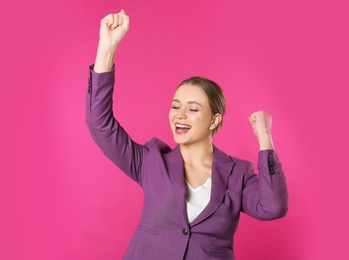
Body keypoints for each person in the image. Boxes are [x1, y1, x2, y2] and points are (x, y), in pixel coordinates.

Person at [85, 9, 288, 260]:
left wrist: (264, 138)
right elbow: (100, 124)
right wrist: (107, 48)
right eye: (175, 106)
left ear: (214, 120)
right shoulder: (151, 161)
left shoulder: (238, 174)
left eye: (192, 109)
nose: (179, 115)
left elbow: (273, 207)